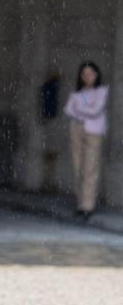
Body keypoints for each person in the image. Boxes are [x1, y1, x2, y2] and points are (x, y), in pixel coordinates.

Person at [64, 61, 109, 221]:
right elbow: (68, 110)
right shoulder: (76, 94)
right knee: (78, 166)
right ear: (81, 76)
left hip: (93, 131)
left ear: (96, 75)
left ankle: (87, 206)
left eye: (91, 73)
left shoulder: (102, 91)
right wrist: (85, 111)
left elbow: (96, 111)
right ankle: (80, 203)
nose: (88, 77)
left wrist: (79, 110)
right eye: (84, 74)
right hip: (77, 129)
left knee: (90, 167)